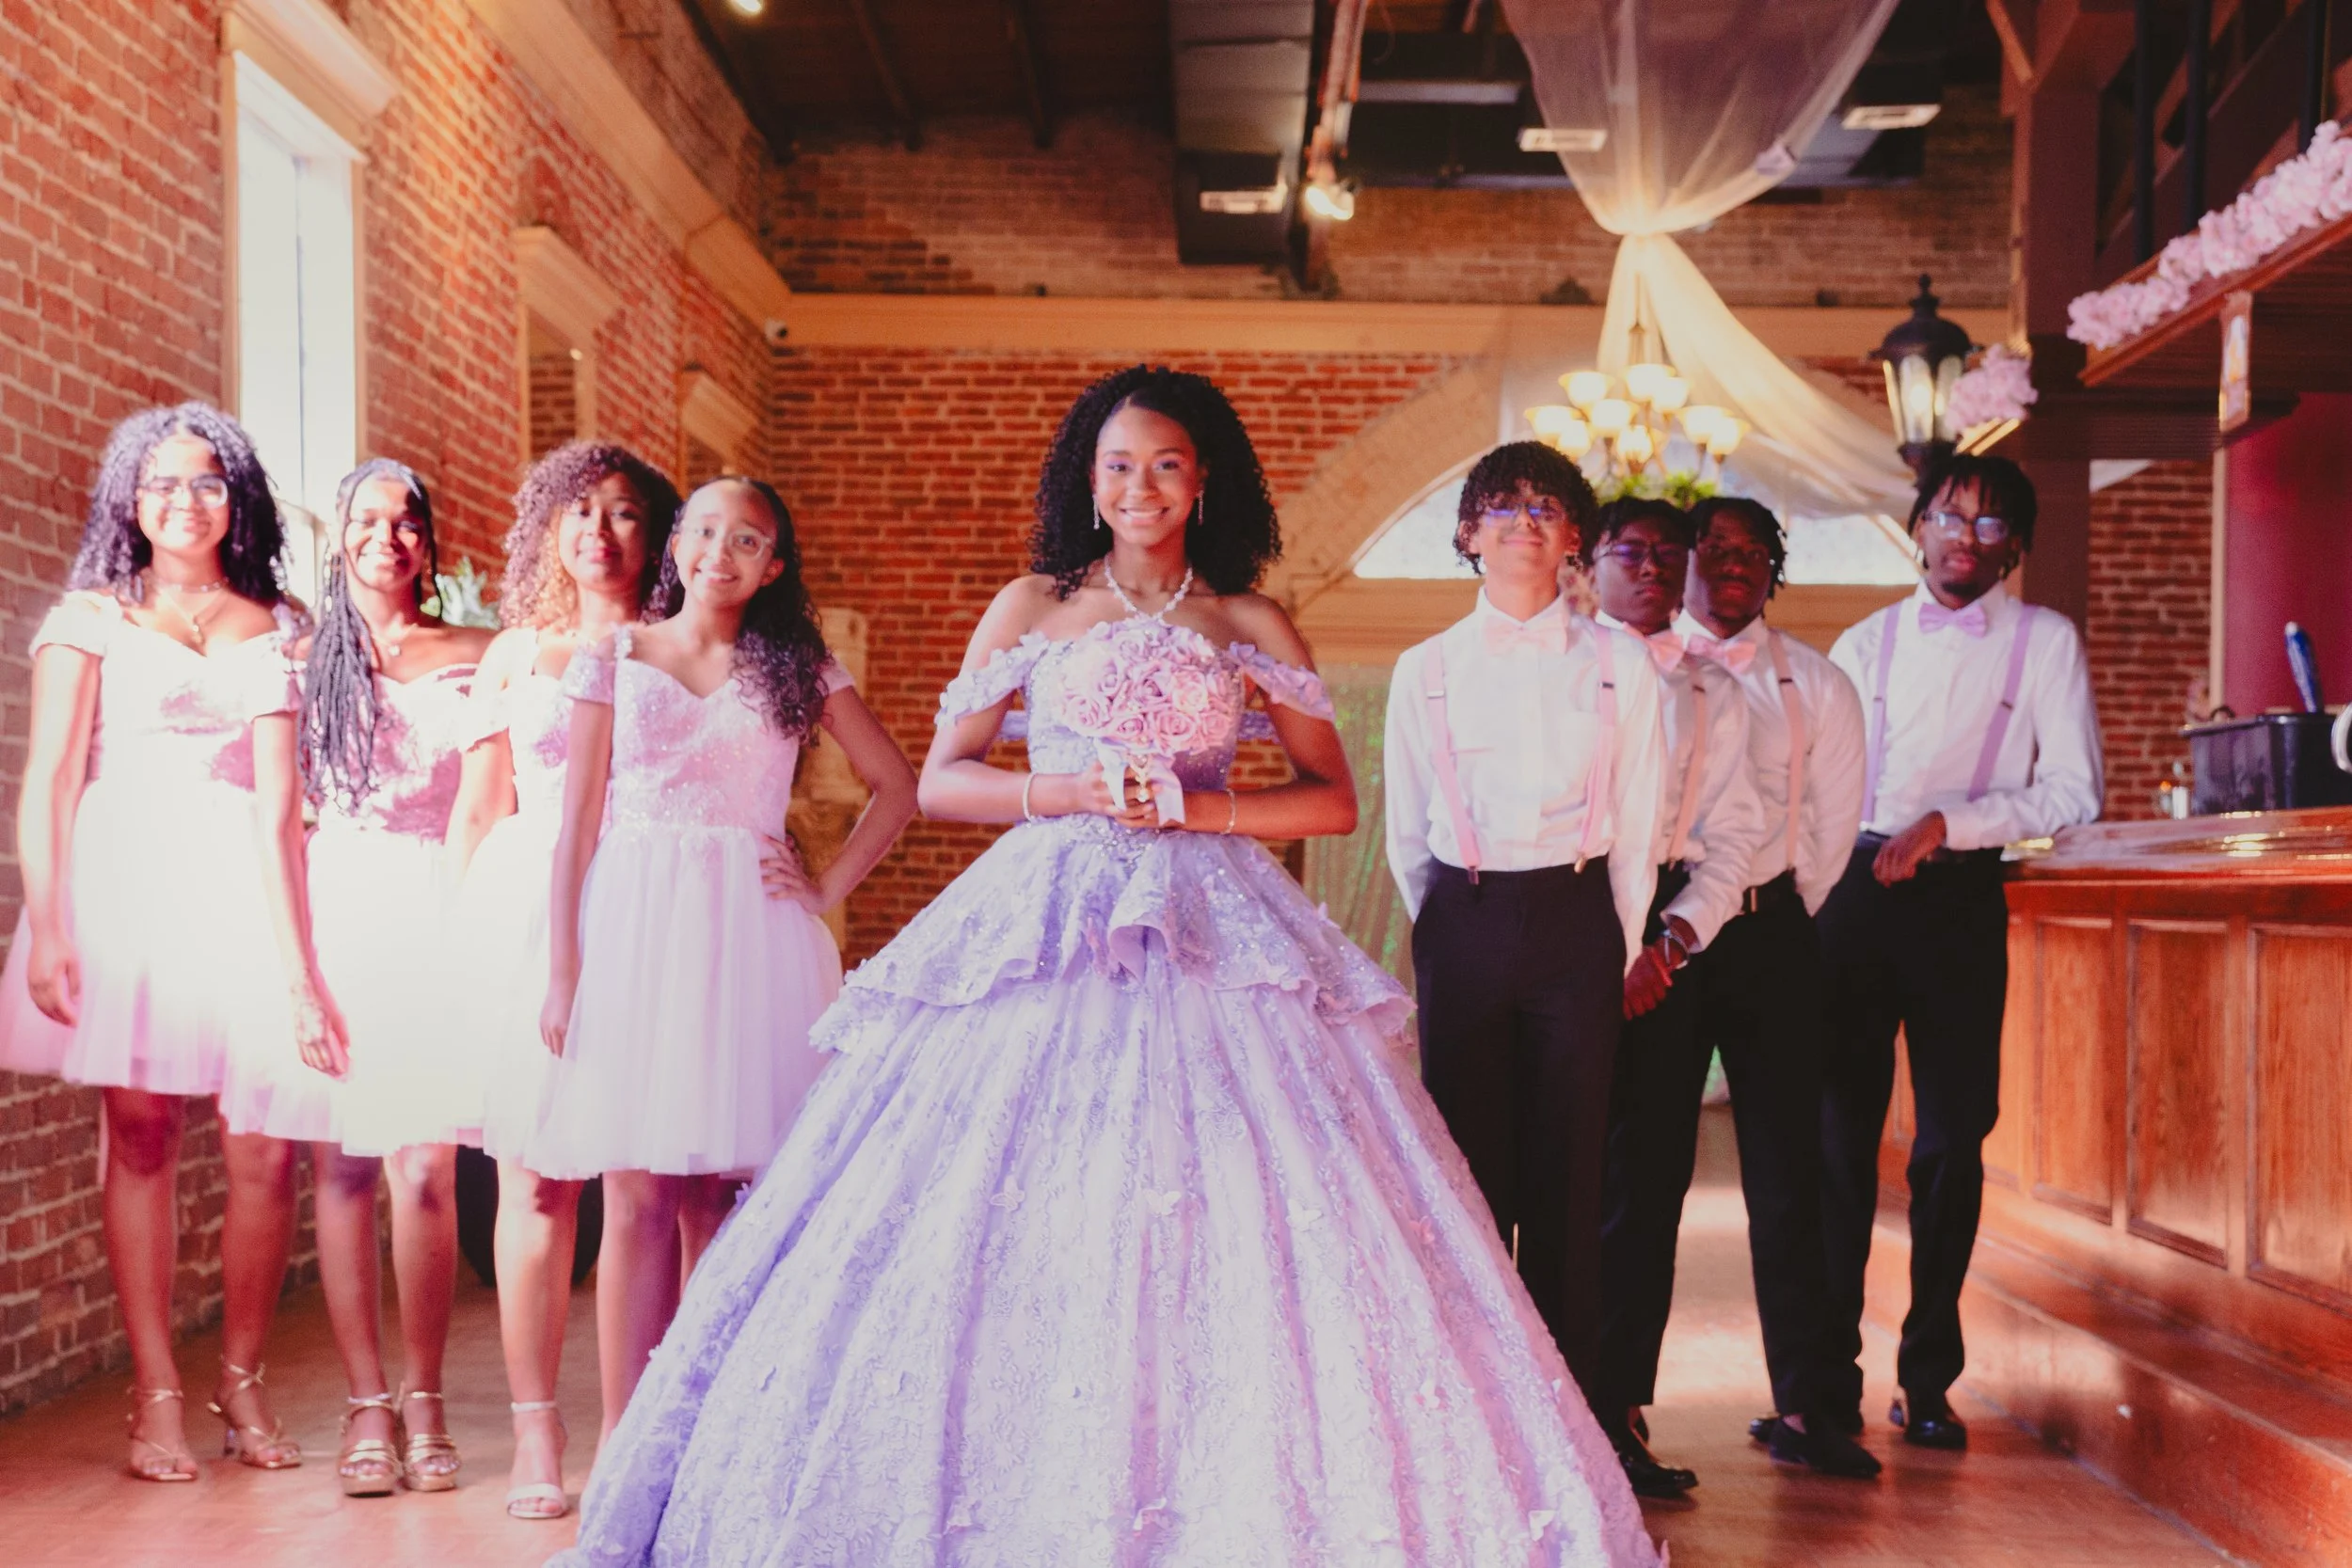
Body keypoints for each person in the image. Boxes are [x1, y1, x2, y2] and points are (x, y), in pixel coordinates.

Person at [548, 367, 1663, 1568]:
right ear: (1088, 480)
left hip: (1210, 915)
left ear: (1204, 482)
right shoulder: (1031, 604)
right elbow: (938, 779)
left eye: (1168, 464)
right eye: (1120, 464)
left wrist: (1204, 810)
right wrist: (1066, 788)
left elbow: (1332, 799)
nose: (1142, 485)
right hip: (1049, 910)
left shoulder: (1248, 622)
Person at [532, 476, 918, 1449]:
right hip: (634, 931)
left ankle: (707, 1432)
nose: (721, 549)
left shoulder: (797, 665)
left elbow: (895, 784)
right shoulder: (612, 656)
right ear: (677, 545)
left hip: (751, 937)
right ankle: (626, 1438)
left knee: (720, 1193)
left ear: (772, 565)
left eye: (748, 538)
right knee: (637, 1192)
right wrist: (564, 967)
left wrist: (825, 887)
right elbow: (575, 825)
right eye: (704, 528)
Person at [0, 403, 342, 1481]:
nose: (182, 501)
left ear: (235, 497)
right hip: (126, 889)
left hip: (251, 892)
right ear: (127, 500)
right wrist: (50, 923)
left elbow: (290, 798)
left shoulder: (283, 621)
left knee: (262, 1142)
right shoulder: (88, 619)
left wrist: (302, 966)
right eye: (160, 483)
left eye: (204, 481)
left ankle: (239, 1375)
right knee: (141, 1133)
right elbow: (49, 781)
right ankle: (155, 1391)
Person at [219, 460, 493, 1497]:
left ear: (429, 538)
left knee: (423, 1165)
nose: (390, 535)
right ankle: (365, 1402)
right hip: (339, 915)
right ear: (339, 538)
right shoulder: (293, 662)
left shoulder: (478, 654)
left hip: (442, 913)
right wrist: (298, 977)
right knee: (341, 1166)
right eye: (367, 520)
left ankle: (426, 1400)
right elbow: (277, 826)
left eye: (408, 518)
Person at [1820, 454, 2101, 1449]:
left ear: (2014, 547)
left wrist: (1955, 821)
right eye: (1948, 517)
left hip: (1958, 902)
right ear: (1918, 526)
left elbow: (2073, 792)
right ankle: (1822, 1380)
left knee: (1949, 1143)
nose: (1962, 539)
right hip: (1851, 896)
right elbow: (1818, 787)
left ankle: (1927, 1376)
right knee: (1838, 1144)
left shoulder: (2044, 642)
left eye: (1988, 528)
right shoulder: (1861, 643)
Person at [1599, 495, 1880, 1481]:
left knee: (1792, 1170)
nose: (1731, 565)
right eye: (1711, 548)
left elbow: (1831, 836)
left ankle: (1808, 1404)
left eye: (1752, 553)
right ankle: (1619, 1404)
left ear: (1774, 571)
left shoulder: (1822, 683)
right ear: (1678, 565)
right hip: (1657, 933)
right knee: (1645, 1170)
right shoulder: (1639, 667)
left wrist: (1770, 914)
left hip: (1770, 932)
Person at [1384, 442, 1666, 1418]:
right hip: (1462, 916)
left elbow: (1638, 823)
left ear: (1573, 537)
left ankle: (1568, 1416)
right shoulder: (1423, 667)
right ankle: (1471, 1410)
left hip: (1577, 916)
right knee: (1466, 1173)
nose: (1522, 520)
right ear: (1468, 532)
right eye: (1500, 505)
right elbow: (1404, 830)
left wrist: (1613, 945)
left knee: (1569, 1175)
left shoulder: (1620, 663)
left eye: (1546, 506)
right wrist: (1453, 931)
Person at [442, 441, 679, 1519]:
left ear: (658, 534)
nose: (601, 529)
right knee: (536, 1175)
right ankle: (536, 1429)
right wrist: (449, 948)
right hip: (528, 913)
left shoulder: (682, 650)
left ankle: (640, 1423)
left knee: (639, 1178)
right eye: (580, 509)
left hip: (646, 911)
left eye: (627, 512)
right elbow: (481, 807)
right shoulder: (516, 656)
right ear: (549, 526)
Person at [1581, 496, 1792, 1494]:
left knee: (1648, 1180)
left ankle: (1617, 1412)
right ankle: (1523, 1407)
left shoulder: (1713, 689)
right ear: (1592, 562)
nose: (1655, 568)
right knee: (1548, 1175)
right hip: (1563, 913)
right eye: (1633, 550)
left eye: (1673, 555)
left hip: (1667, 930)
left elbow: (1737, 832)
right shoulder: (1558, 667)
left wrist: (1671, 936)